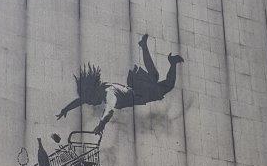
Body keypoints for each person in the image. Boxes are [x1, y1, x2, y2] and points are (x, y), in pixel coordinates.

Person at [56, 34, 184, 134]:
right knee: (165, 83)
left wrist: (101, 124)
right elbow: (81, 100)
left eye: (89, 100)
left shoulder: (108, 93)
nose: (90, 103)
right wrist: (65, 109)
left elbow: (109, 110)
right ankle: (168, 60)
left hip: (139, 91)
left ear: (92, 92)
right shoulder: (100, 91)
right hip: (137, 89)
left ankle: (146, 47)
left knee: (160, 81)